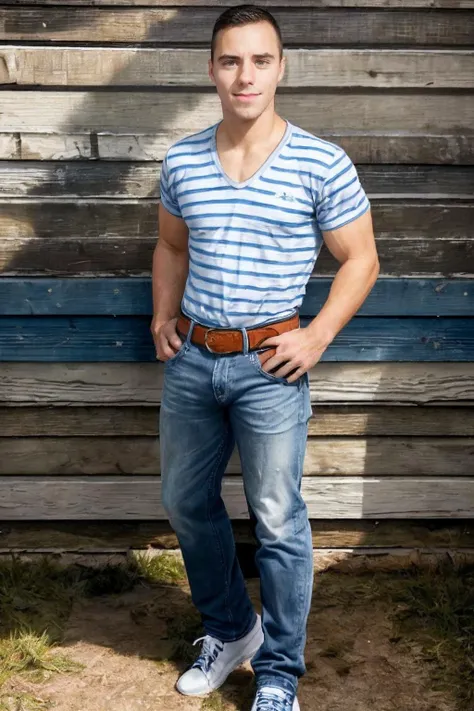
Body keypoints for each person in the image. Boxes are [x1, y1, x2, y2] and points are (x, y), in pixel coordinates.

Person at [151, 5, 379, 710]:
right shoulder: (183, 159)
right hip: (194, 359)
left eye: (259, 60)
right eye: (230, 60)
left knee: (277, 516)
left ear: (281, 68)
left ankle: (279, 672)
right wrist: (162, 313)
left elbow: (361, 259)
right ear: (211, 69)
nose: (243, 74)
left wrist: (315, 337)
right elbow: (171, 246)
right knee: (186, 503)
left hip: (272, 366)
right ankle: (232, 630)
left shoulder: (320, 161)